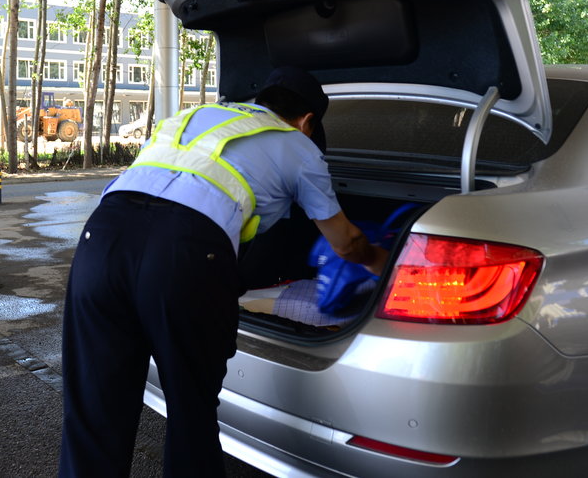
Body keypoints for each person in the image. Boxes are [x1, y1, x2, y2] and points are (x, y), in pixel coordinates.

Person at [59, 66, 387, 477]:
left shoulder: (193, 117)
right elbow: (346, 243)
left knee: (94, 404)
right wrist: (384, 265)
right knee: (190, 408)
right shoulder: (299, 147)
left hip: (100, 240)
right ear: (307, 123)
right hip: (184, 252)